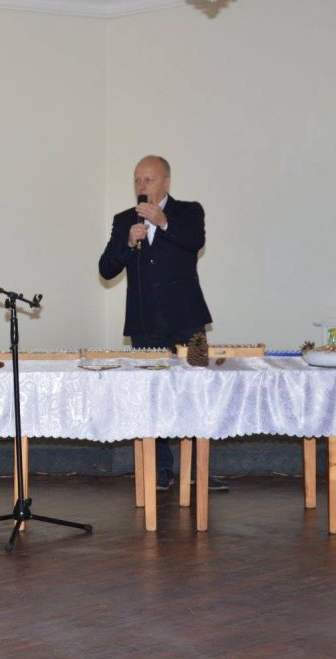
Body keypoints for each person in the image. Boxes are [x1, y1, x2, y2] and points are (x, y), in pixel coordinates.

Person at [97, 156, 227, 492]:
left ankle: (198, 470)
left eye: (149, 180)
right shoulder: (124, 220)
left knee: (194, 394)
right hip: (145, 323)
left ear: (166, 181)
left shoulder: (188, 212)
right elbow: (106, 269)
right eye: (137, 180)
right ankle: (160, 468)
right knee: (152, 397)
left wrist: (164, 222)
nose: (142, 186)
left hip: (186, 320)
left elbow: (194, 241)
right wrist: (128, 244)